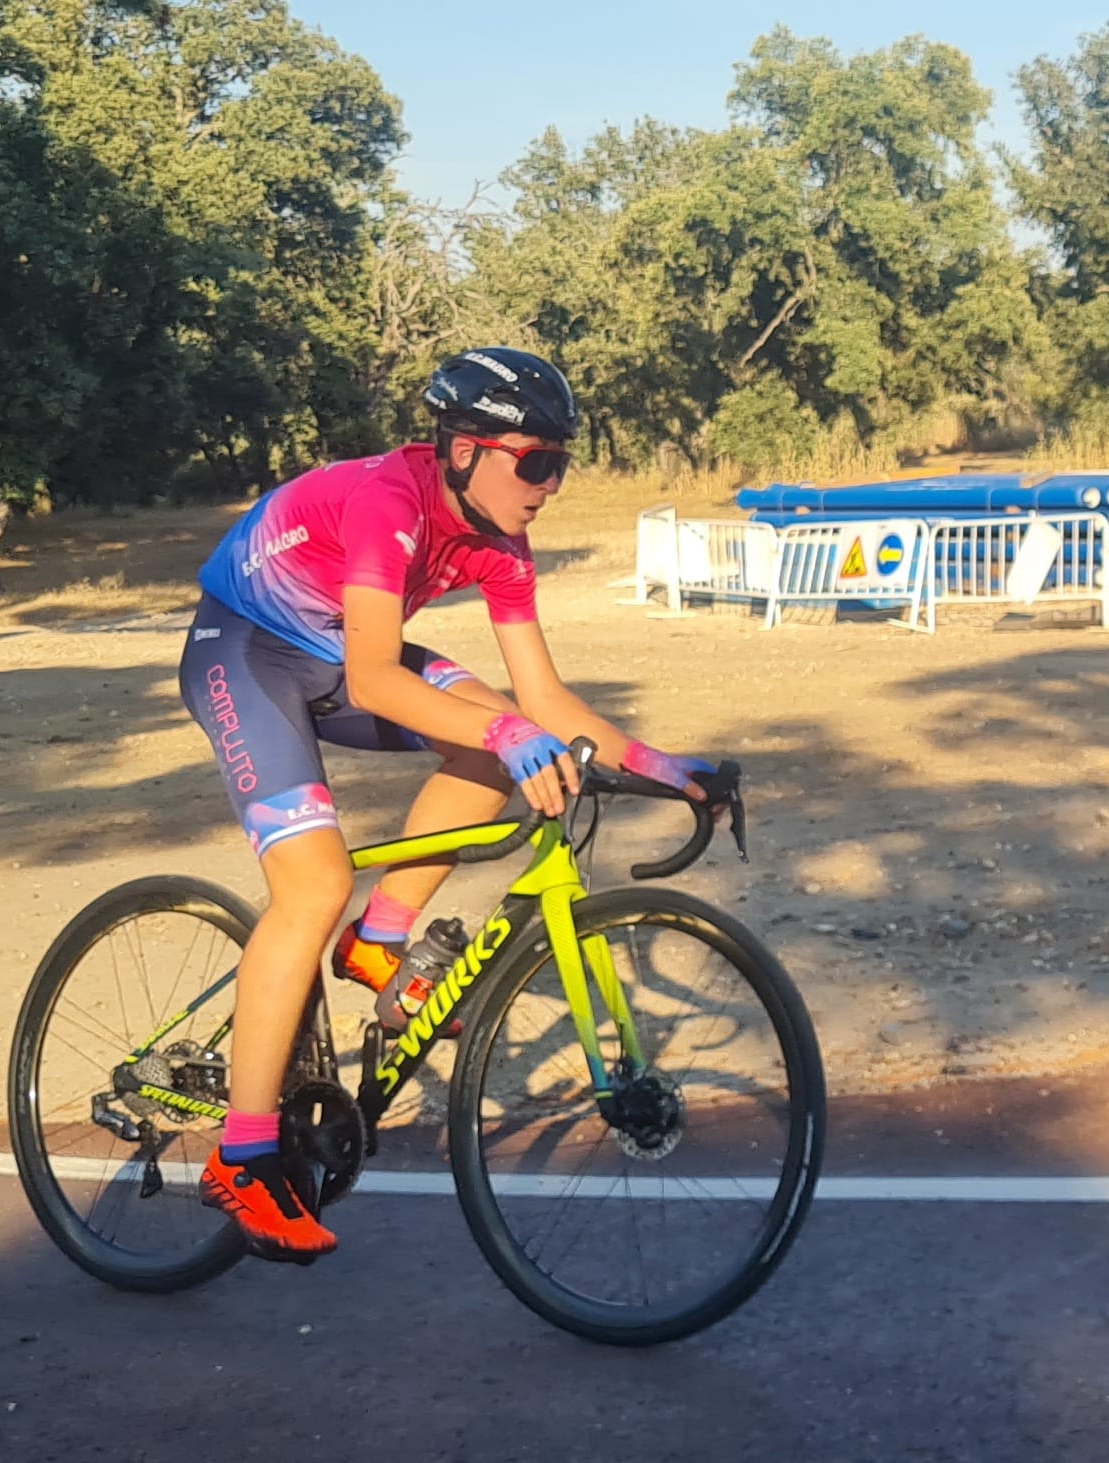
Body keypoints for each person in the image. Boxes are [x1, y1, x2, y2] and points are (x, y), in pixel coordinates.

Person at [178, 347, 715, 1261]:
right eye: (535, 459)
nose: (549, 482)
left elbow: (543, 702)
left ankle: (379, 940)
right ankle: (242, 1153)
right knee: (310, 887)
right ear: (464, 450)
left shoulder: (503, 542)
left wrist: (673, 770)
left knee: (499, 725)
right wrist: (508, 738)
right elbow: (377, 677)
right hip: (246, 651)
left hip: (336, 650)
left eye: (561, 461)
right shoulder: (390, 500)